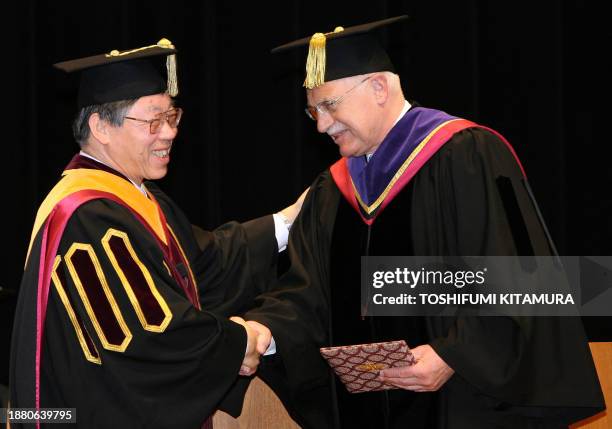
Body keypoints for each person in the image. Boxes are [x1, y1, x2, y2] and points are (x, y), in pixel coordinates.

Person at [242, 16, 605, 428]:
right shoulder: (332, 191)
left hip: (463, 405)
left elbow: (525, 275)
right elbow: (307, 293)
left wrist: (454, 354)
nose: (323, 125)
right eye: (313, 113)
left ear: (378, 87)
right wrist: (264, 332)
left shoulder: (467, 154)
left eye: (329, 105)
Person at [9, 39, 304, 428]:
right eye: (153, 121)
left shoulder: (135, 197)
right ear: (101, 127)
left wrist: (289, 220)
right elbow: (150, 334)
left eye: (172, 117)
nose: (169, 133)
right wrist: (237, 345)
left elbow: (204, 265)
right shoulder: (85, 215)